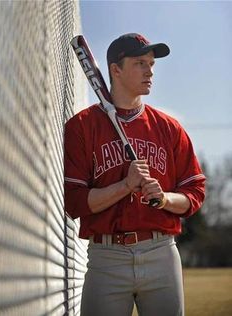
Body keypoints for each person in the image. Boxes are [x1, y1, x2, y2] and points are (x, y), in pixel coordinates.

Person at [64, 33, 206, 316]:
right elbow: (76, 203)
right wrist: (126, 185)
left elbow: (195, 194)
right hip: (107, 256)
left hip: (161, 252)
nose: (150, 70)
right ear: (115, 70)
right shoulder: (82, 126)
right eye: (140, 63)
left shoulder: (169, 128)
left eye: (151, 64)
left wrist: (164, 198)